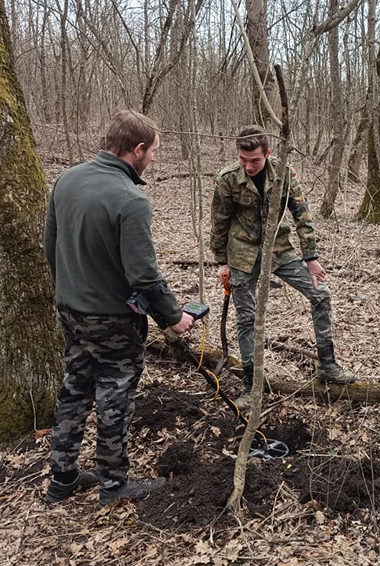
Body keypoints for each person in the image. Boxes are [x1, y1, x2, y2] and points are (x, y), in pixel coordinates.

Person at [44, 110, 195, 506]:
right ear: (138, 149)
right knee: (115, 394)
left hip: (69, 309)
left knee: (75, 389)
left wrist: (72, 288)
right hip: (111, 318)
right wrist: (174, 316)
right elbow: (144, 276)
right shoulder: (131, 200)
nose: (155, 159)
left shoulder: (66, 180)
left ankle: (62, 478)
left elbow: (51, 248)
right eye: (154, 152)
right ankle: (114, 485)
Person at [211, 125, 354, 408]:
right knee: (246, 319)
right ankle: (252, 386)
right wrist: (221, 262)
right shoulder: (227, 179)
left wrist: (311, 257)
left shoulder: (284, 173)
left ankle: (327, 365)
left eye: (255, 160)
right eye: (243, 159)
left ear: (268, 152)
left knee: (321, 294)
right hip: (242, 255)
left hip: (280, 250)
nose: (249, 166)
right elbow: (219, 222)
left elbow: (302, 214)